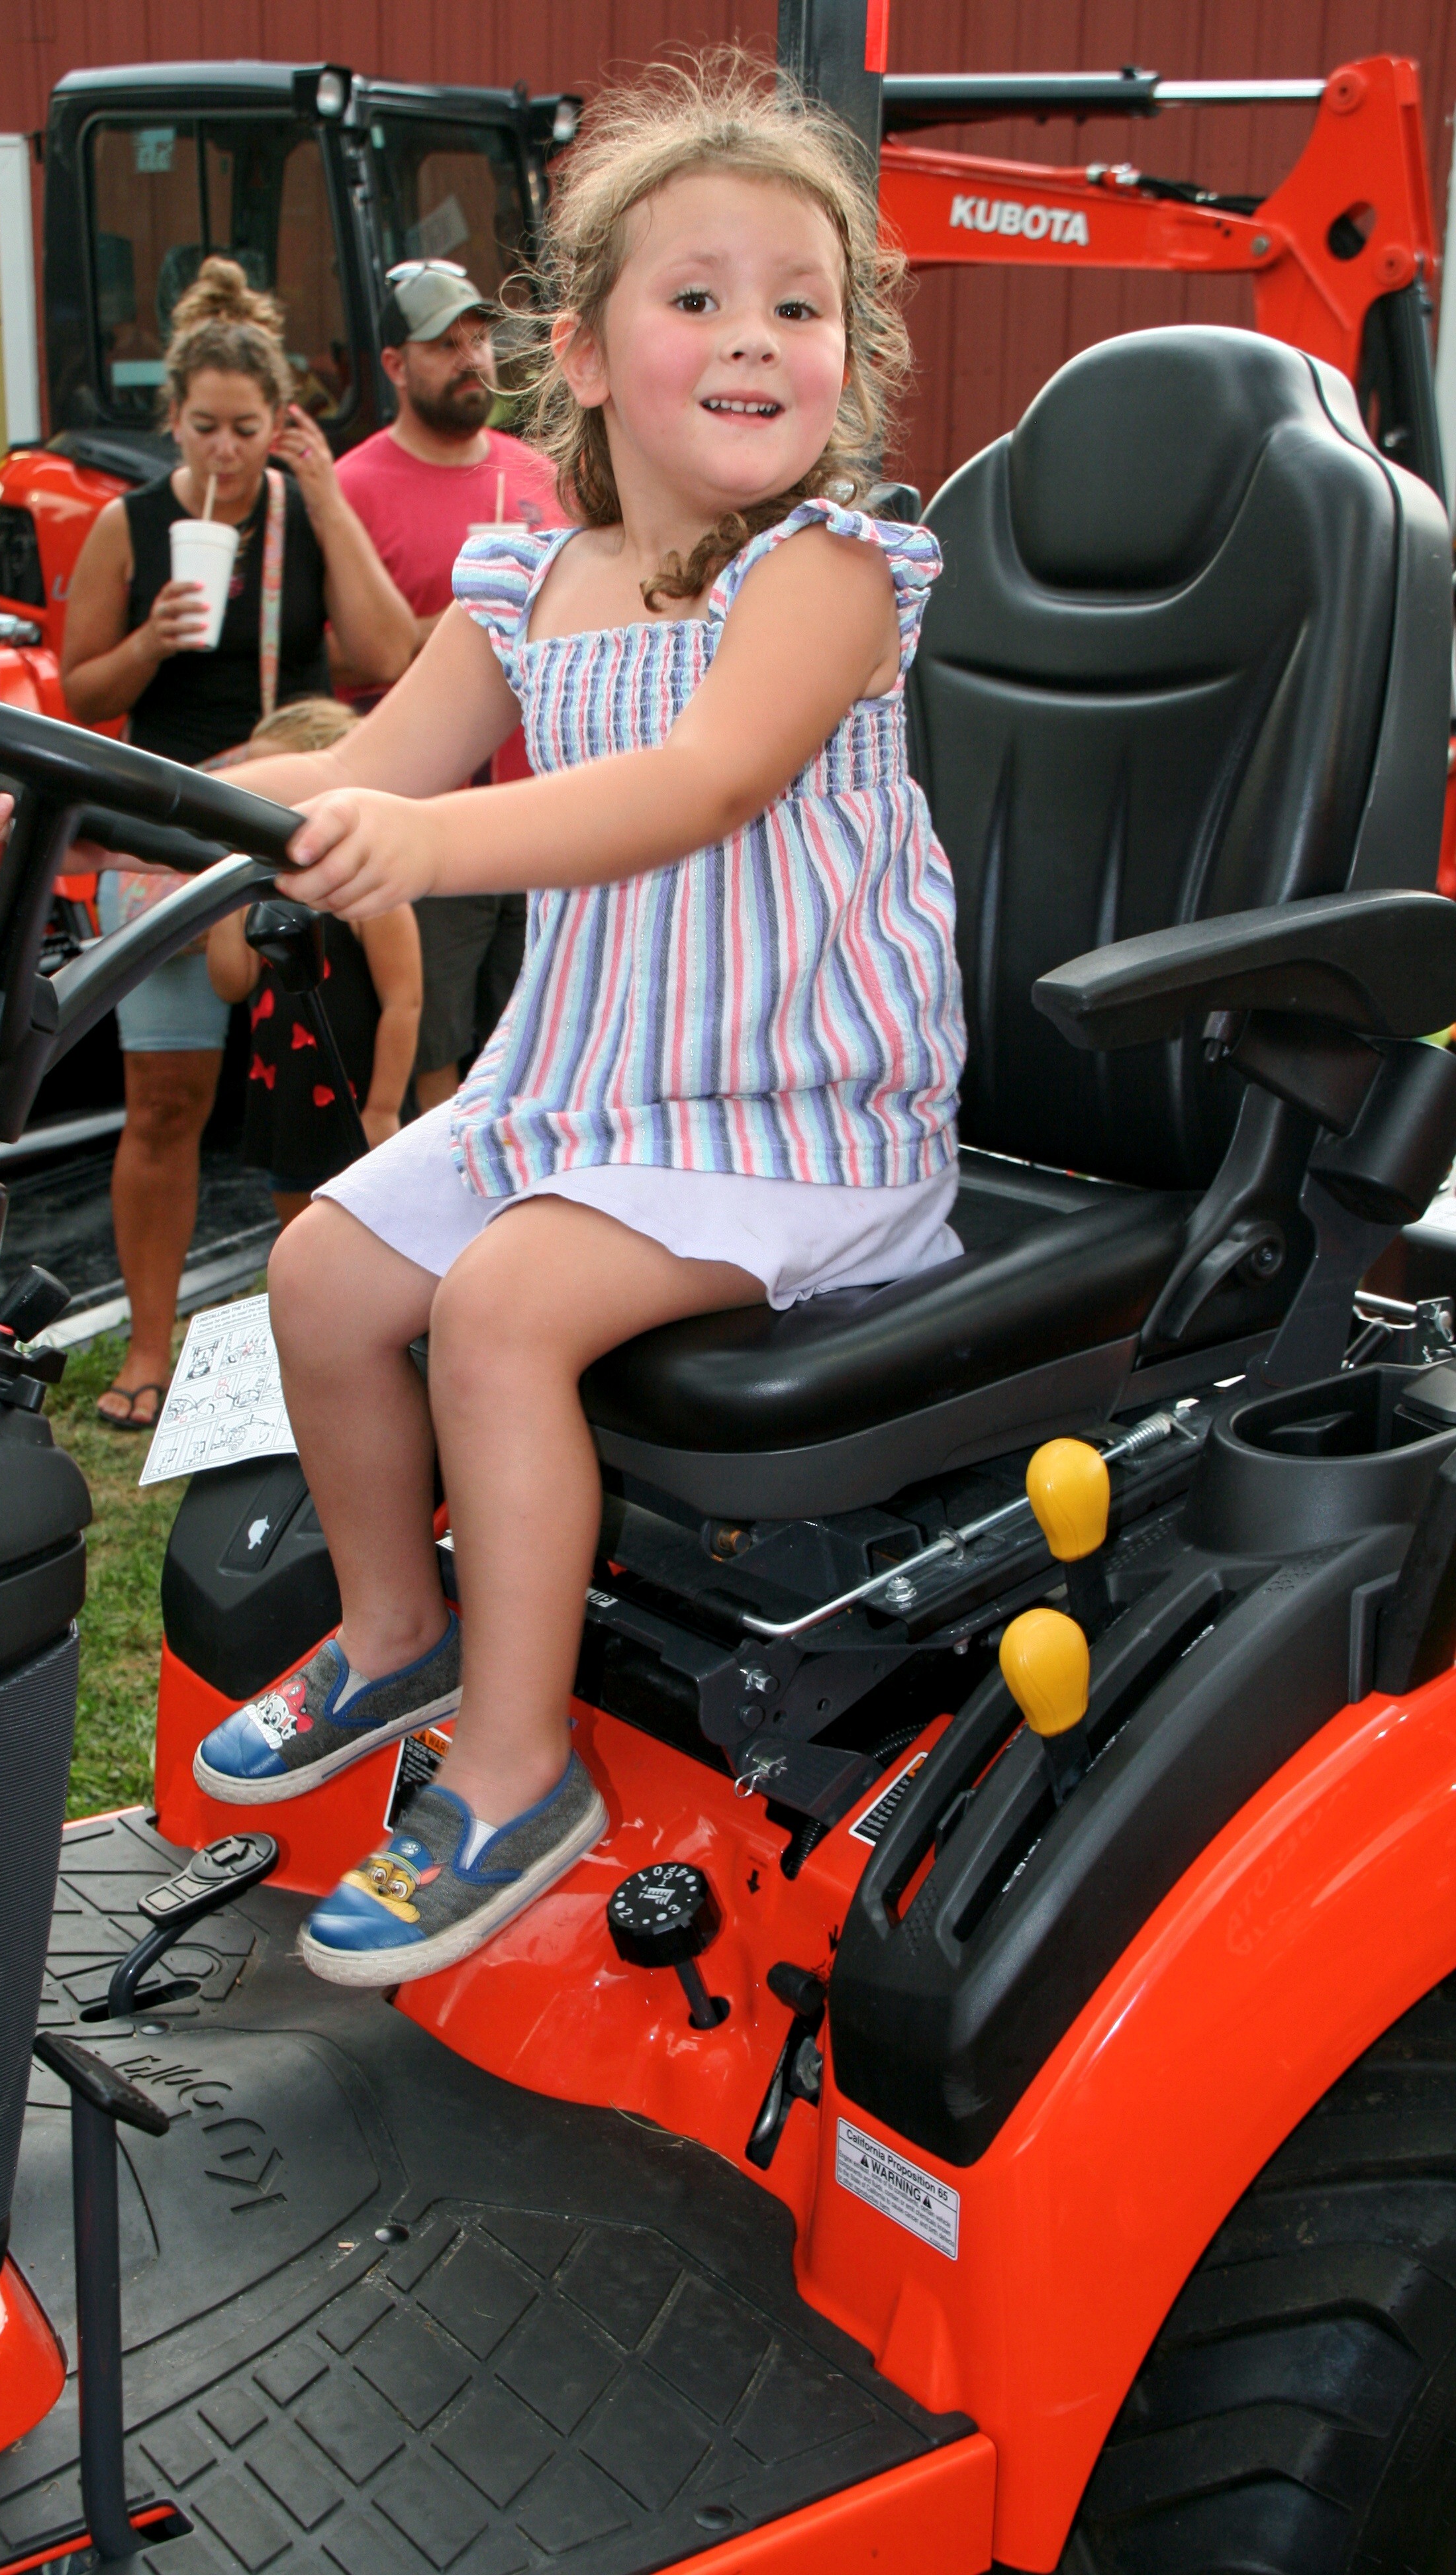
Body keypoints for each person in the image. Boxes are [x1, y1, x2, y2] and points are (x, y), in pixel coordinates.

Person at [134, 57, 965, 1988]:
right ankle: (393, 1628)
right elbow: (366, 761)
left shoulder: (829, 576)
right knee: (326, 1269)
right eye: (700, 296)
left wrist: (425, 843)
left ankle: (514, 1772)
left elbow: (697, 784)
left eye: (799, 304)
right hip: (580, 1091)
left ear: (848, 356)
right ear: (582, 355)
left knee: (503, 1305)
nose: (754, 335)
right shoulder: (527, 579)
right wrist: (150, 803)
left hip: (787, 1112)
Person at [59, 258, 417, 1429]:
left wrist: (324, 497)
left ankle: (329, 1350)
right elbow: (79, 691)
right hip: (170, 840)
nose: (224, 450)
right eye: (204, 427)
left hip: (290, 837)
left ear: (281, 425)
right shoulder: (129, 525)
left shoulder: (304, 510)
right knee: (165, 1102)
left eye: (246, 429)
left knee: (320, 1095)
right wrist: (151, 644)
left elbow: (387, 654)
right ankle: (147, 1352)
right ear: (173, 419)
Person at [333, 261, 567, 1111]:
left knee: (541, 1048)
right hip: (426, 811)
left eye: (479, 338)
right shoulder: (352, 487)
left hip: (548, 813)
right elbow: (339, 664)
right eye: (445, 344)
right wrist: (471, 620)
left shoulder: (543, 474)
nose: (472, 358)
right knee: (431, 1051)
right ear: (396, 365)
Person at [205, 697, 423, 1228]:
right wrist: (226, 892)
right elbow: (231, 985)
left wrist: (383, 1107)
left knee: (374, 1226)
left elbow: (405, 1001)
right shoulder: (261, 882)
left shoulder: (366, 882)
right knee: (299, 1224)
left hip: (358, 1092)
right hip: (288, 1091)